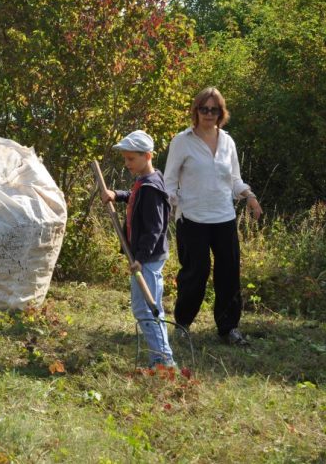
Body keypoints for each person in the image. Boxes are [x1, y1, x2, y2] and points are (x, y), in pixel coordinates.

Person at [164, 87, 263, 346]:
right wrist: (166, 207)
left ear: (221, 112)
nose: (209, 114)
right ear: (195, 110)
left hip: (223, 217)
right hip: (192, 218)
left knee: (229, 273)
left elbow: (234, 179)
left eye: (214, 109)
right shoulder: (182, 141)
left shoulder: (228, 141)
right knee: (196, 272)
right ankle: (182, 325)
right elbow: (170, 182)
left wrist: (249, 196)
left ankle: (229, 328)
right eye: (204, 109)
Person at [100, 130, 175, 368]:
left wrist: (140, 259)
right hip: (146, 257)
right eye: (125, 159)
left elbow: (155, 229)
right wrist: (117, 195)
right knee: (145, 307)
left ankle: (163, 361)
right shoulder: (145, 182)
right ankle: (160, 358)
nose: (127, 164)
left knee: (148, 308)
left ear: (148, 156)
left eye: (131, 159)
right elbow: (134, 196)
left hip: (148, 259)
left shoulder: (151, 188)